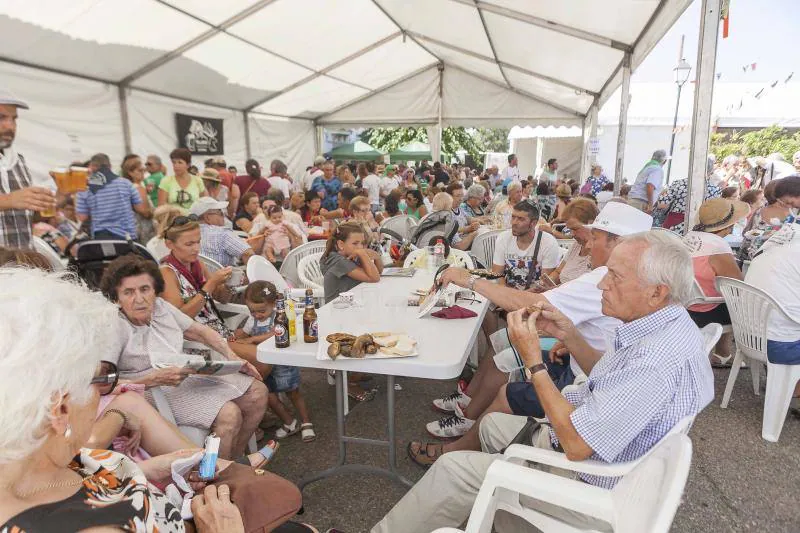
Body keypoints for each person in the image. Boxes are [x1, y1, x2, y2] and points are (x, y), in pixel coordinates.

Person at [374, 230, 714, 533]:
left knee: (454, 469)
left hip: (591, 483)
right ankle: (484, 503)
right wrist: (571, 335)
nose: (601, 284)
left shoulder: (654, 360)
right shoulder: (667, 326)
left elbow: (576, 445)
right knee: (491, 424)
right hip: (607, 455)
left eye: (614, 276)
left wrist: (534, 361)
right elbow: (610, 380)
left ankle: (478, 499)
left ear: (657, 292)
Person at [0, 266, 284, 532]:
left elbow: (86, 475)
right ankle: (226, 477)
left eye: (145, 290)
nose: (102, 395)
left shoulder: (59, 461)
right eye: (101, 378)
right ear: (60, 409)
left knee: (253, 395)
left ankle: (225, 471)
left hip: (176, 485)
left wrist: (145, 470)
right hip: (196, 512)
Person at [418, 202, 649, 446]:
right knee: (503, 345)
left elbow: (534, 304)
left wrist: (469, 280)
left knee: (509, 357)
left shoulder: (603, 278)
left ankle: (465, 438)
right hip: (585, 362)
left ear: (618, 244)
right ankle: (469, 407)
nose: (588, 245)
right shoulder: (631, 278)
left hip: (583, 383)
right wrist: (571, 339)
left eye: (595, 238)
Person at [235, 281, 316, 442]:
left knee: (293, 392)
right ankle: (289, 421)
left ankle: (306, 422)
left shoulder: (280, 315)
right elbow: (243, 334)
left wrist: (253, 339)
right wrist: (236, 336)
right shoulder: (253, 320)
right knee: (269, 395)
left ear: (273, 304)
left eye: (261, 311)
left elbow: (275, 332)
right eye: (252, 311)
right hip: (263, 364)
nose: (257, 315)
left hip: (282, 362)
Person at [684, 198, 748, 366]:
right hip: (702, 311)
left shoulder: (690, 237)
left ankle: (723, 354)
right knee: (744, 304)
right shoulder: (717, 247)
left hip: (683, 304)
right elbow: (737, 285)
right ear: (729, 225)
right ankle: (729, 353)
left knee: (727, 299)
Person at [160, 215, 236, 337]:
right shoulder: (167, 273)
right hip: (201, 342)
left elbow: (222, 298)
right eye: (189, 244)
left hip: (220, 334)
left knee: (262, 344)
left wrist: (229, 284)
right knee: (256, 353)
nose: (196, 249)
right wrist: (211, 284)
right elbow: (179, 319)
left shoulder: (196, 264)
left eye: (198, 242)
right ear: (169, 244)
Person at [745, 226, 800, 394]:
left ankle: (787, 385)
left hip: (749, 337)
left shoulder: (772, 245)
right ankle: (793, 388)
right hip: (778, 344)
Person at [0, 91, 56, 249]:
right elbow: (13, 200)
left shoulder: (19, 162)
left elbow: (28, 218)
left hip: (23, 266)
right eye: (1, 117)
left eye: (14, 119)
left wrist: (58, 197)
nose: (10, 126)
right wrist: (9, 200)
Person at [76, 153, 151, 241]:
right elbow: (140, 207)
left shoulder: (84, 189)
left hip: (101, 237)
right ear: (110, 167)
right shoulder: (126, 183)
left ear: (92, 168)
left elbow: (82, 217)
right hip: (127, 236)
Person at [491, 201, 560, 290]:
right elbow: (497, 274)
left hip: (535, 296)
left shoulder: (548, 242)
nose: (514, 223)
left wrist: (523, 296)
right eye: (513, 217)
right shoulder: (503, 238)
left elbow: (544, 283)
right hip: (508, 293)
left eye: (520, 219)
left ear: (533, 223)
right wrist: (506, 295)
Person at [320, 221, 383, 304]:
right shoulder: (338, 261)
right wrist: (362, 253)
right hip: (337, 310)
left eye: (362, 243)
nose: (360, 247)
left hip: (351, 305)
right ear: (341, 244)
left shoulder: (351, 256)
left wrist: (376, 256)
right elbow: (374, 278)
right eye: (355, 243)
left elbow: (378, 272)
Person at [654, 157, 722, 233]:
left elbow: (662, 202)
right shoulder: (715, 190)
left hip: (674, 225)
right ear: (710, 172)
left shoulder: (678, 184)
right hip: (699, 228)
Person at [190, 197, 254, 267]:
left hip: (197, 277)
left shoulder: (186, 235)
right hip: (224, 277)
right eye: (220, 213)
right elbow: (248, 253)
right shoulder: (222, 233)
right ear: (207, 217)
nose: (223, 216)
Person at [546, 198, 598, 284]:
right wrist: (546, 282)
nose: (572, 234)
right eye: (570, 229)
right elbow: (558, 272)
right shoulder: (577, 245)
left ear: (591, 224)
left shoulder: (599, 252)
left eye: (575, 229)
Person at [121, 154, 156, 244]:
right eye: (140, 170)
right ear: (130, 172)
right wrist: (155, 212)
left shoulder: (126, 186)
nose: (143, 173)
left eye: (144, 170)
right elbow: (145, 212)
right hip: (143, 230)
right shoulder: (137, 187)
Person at [629, 149, 668, 213]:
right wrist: (650, 205)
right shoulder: (657, 169)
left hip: (634, 201)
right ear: (664, 161)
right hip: (641, 203)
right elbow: (650, 186)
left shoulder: (647, 167)